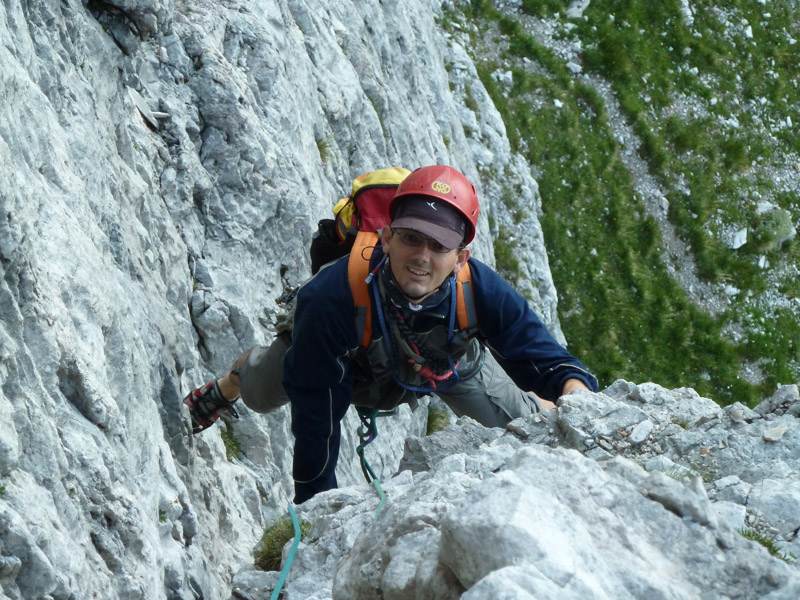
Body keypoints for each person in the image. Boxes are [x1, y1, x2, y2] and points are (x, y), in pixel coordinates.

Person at [184, 165, 598, 503]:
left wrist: (580, 407)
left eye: (438, 247)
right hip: (344, 366)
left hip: (447, 367)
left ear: (460, 258)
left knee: (530, 432)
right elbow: (318, 418)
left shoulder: (480, 291)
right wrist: (314, 505)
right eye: (411, 239)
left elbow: (547, 358)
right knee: (260, 392)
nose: (421, 256)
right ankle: (230, 381)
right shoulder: (333, 296)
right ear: (387, 236)